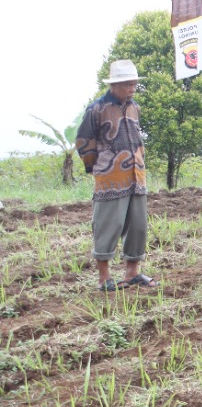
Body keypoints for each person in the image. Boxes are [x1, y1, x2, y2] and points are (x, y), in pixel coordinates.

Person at [75, 59, 155, 292]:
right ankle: (104, 277)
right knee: (108, 225)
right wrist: (96, 167)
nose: (132, 88)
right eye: (128, 84)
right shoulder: (97, 109)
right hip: (110, 177)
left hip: (136, 176)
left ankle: (133, 272)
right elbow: (83, 141)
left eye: (134, 84)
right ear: (115, 85)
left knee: (138, 226)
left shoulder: (134, 107)